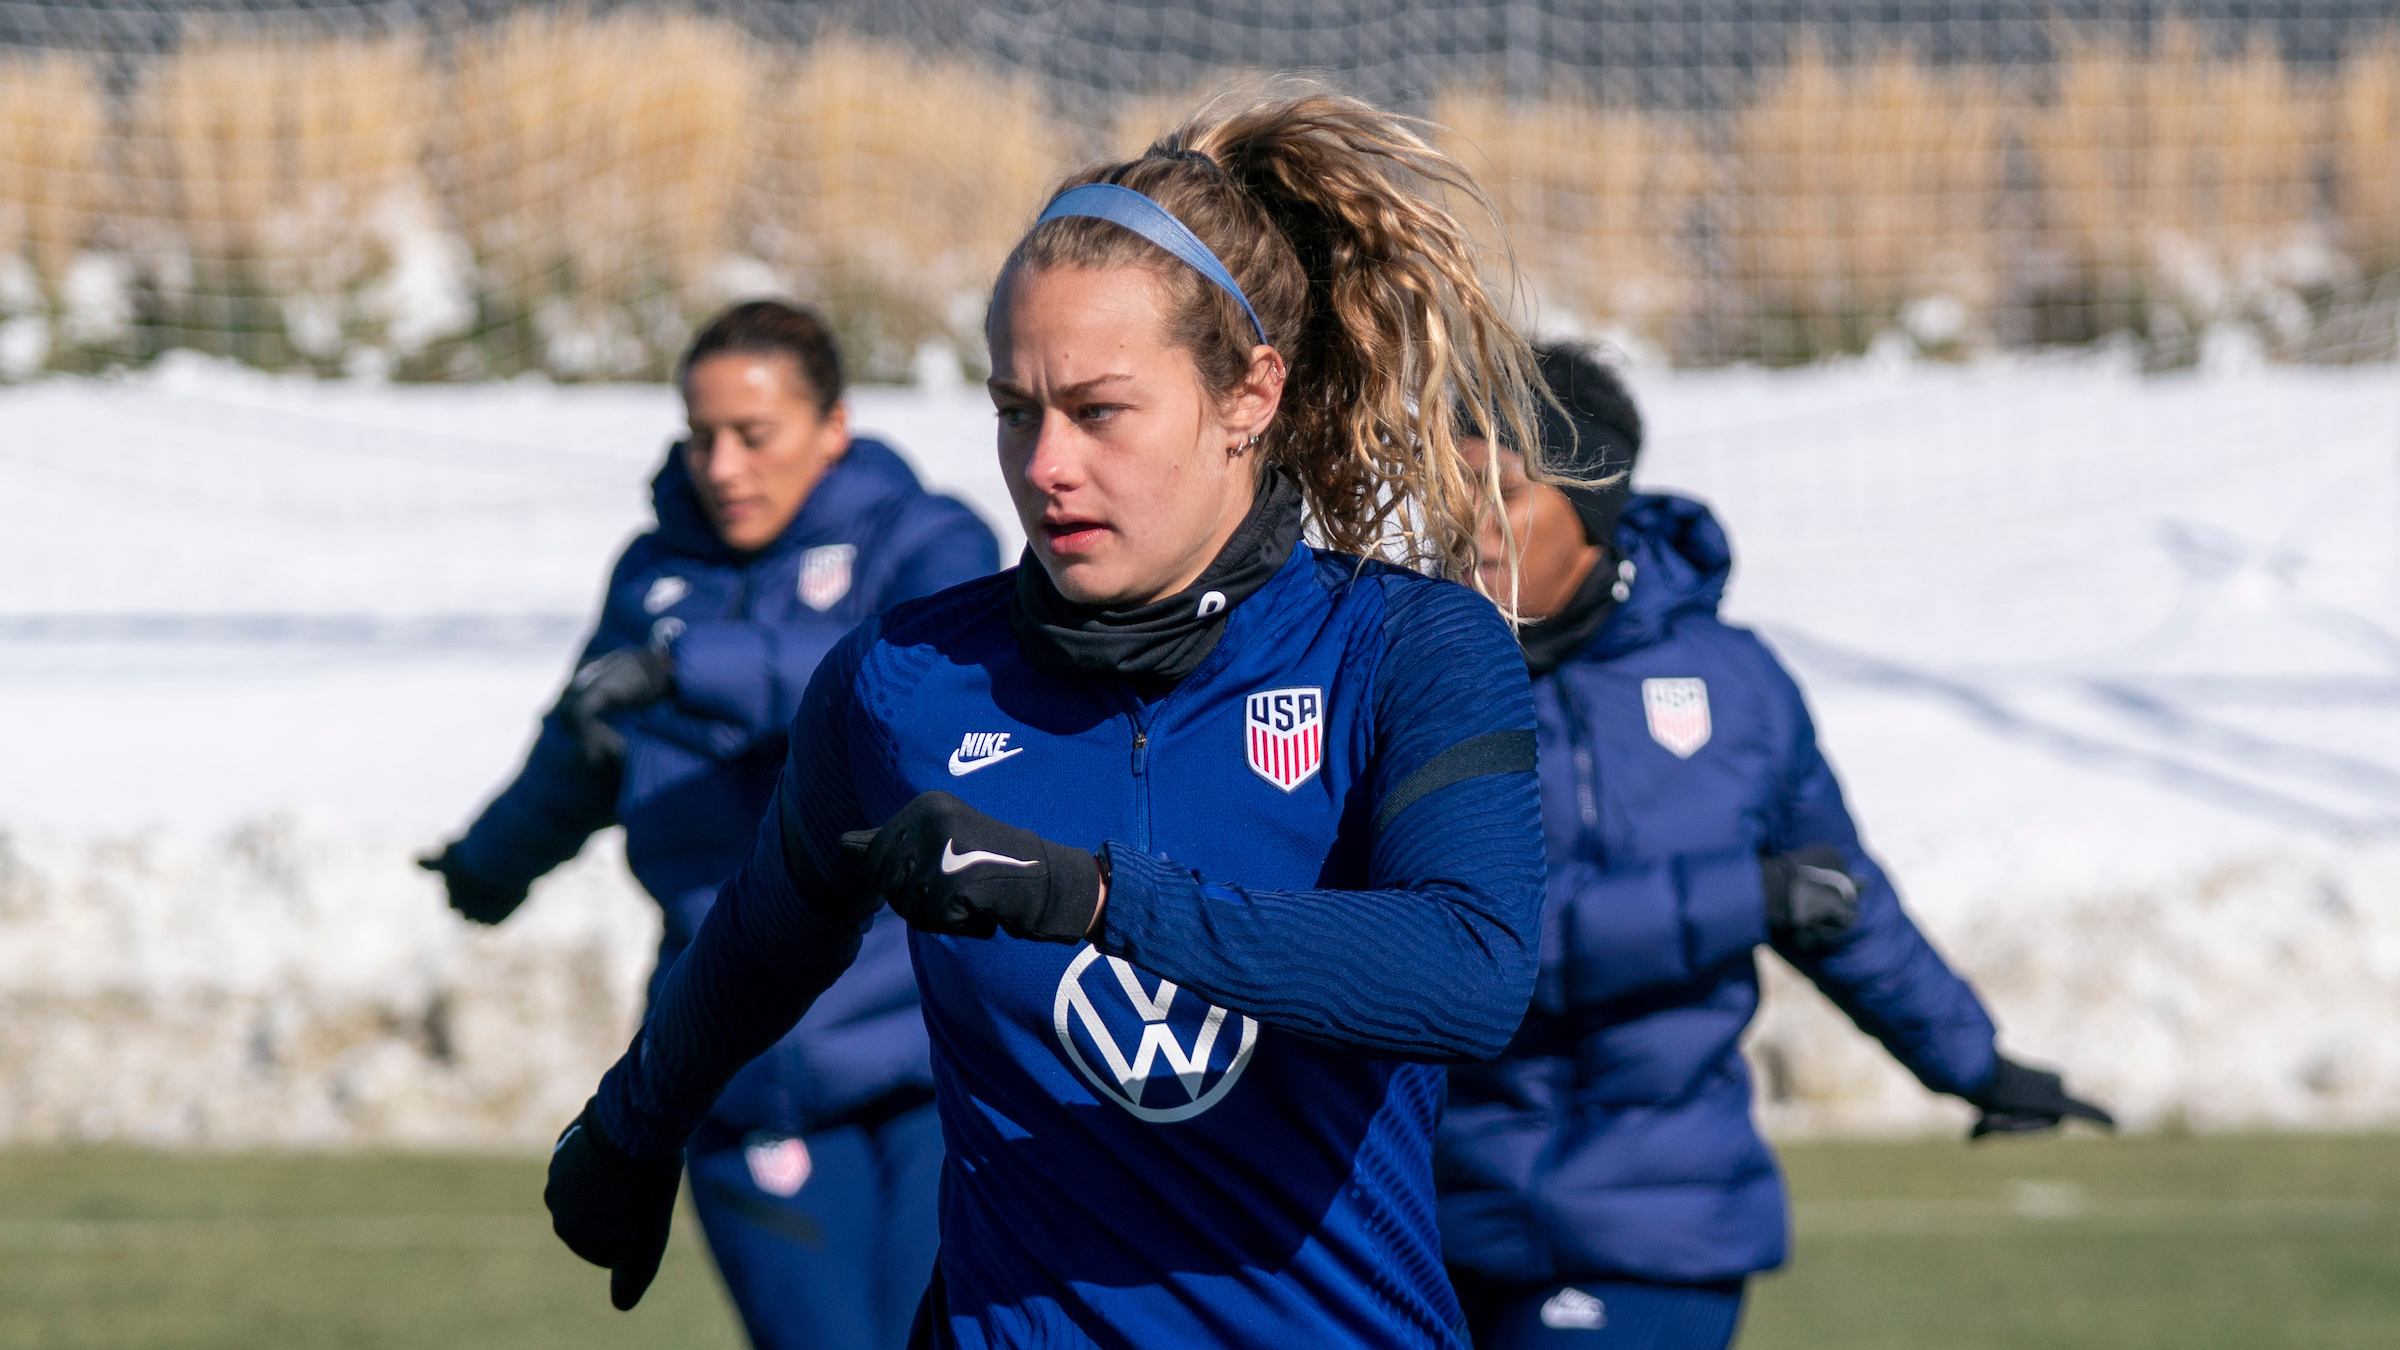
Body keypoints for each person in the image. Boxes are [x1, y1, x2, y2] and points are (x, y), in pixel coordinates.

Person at [540, 88, 1564, 1349]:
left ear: (1249, 394)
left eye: (1098, 410)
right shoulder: (906, 679)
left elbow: (1468, 973)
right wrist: (635, 1127)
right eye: (1015, 412)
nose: (1045, 465)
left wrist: (1090, 899)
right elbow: (768, 932)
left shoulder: (1407, 648)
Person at [1435, 344, 2113, 1350]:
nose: (1471, 524)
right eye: (1451, 490)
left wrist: (1973, 1060)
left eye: (1507, 492)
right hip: (1434, 1213)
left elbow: (1836, 895)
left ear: (1594, 505)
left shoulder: (1736, 684)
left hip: (1654, 1221)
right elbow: (1469, 941)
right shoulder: (1408, 669)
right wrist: (1740, 897)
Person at [418, 300, 998, 1350]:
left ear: (834, 426)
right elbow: (584, 736)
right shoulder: (654, 577)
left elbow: (900, 681)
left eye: (753, 435)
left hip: (928, 1064)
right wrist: (491, 861)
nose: (722, 465)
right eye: (700, 436)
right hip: (741, 1065)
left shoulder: (929, 539)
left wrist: (690, 670)